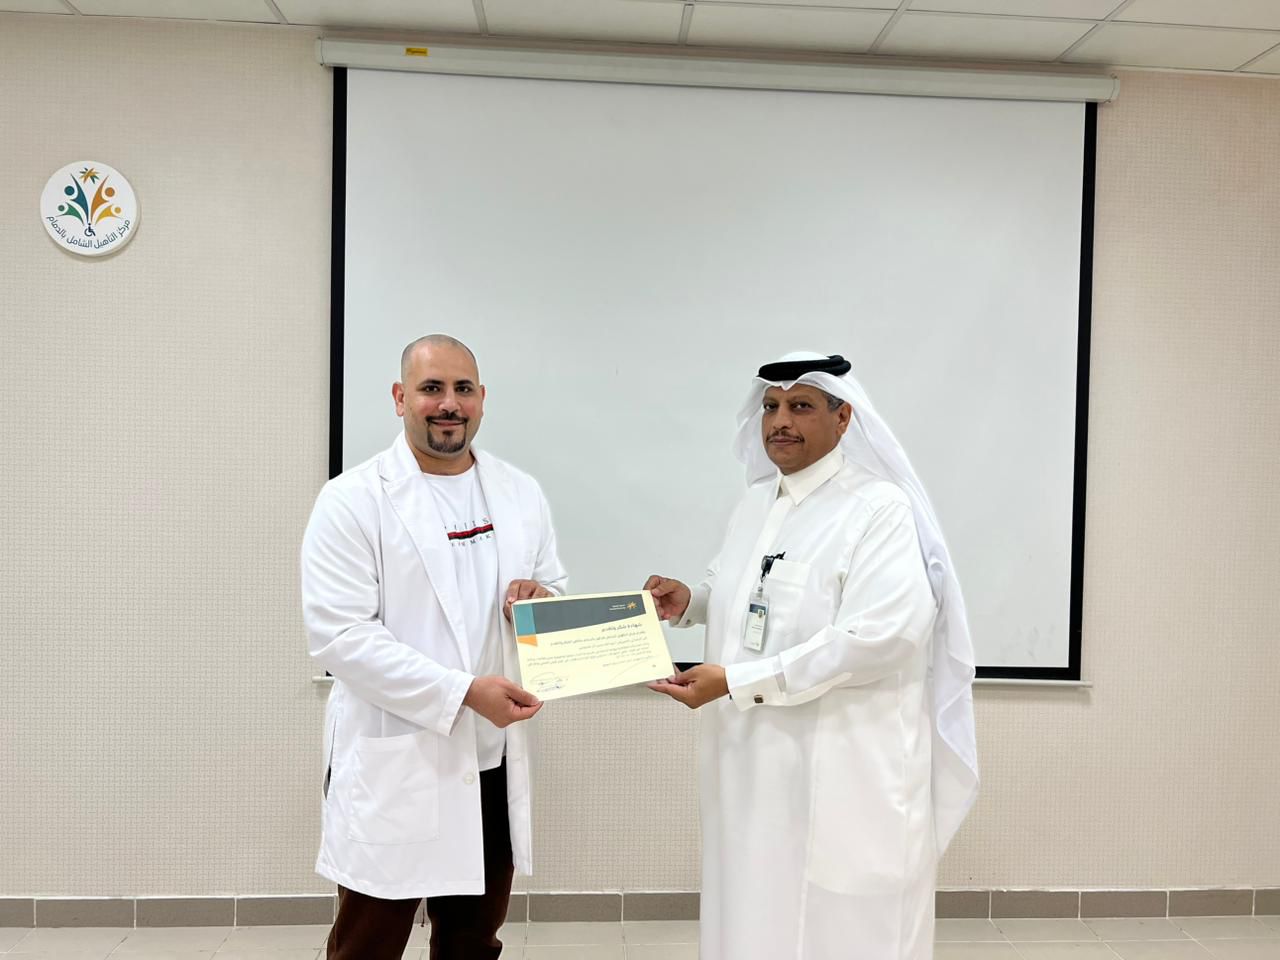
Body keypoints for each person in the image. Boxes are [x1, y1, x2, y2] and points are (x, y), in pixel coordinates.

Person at [644, 350, 979, 960]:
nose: (780, 421)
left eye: (800, 406)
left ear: (843, 417)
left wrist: (739, 680)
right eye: (771, 406)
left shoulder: (878, 509)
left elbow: (879, 637)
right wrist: (691, 601)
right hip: (751, 763)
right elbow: (745, 591)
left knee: (843, 928)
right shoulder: (756, 502)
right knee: (753, 910)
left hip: (844, 767)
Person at [301, 334, 567, 960]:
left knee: (473, 941)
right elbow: (341, 636)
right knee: (367, 945)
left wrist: (540, 600)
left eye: (462, 389)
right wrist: (463, 692)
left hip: (491, 759)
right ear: (400, 398)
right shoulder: (353, 500)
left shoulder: (520, 492)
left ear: (482, 399)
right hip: (397, 756)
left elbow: (553, 588)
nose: (449, 404)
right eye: (431, 388)